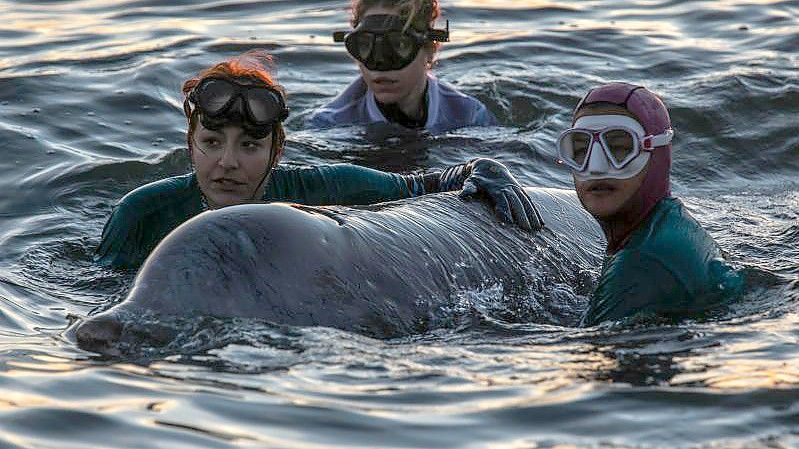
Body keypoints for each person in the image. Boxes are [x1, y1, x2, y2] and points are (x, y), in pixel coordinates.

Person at [96, 51, 540, 269]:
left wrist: (482, 168)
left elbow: (426, 185)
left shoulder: (319, 190)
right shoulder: (141, 214)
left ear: (277, 151)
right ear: (190, 144)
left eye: (249, 146)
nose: (227, 163)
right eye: (212, 142)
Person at [555, 83, 744, 326]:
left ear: (658, 156)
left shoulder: (640, 265)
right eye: (580, 150)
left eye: (621, 149)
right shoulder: (669, 223)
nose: (596, 167)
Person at [307, 0, 497, 133]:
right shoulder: (330, 123)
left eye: (399, 45)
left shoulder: (469, 116)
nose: (379, 65)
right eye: (365, 45)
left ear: (430, 49)